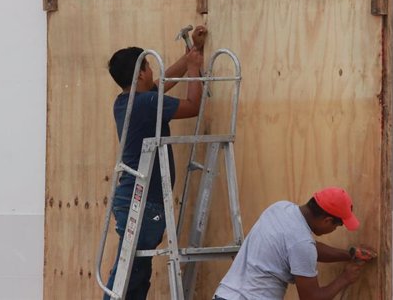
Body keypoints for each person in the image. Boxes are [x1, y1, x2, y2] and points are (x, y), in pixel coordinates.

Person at [104, 25, 208, 300]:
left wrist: (190, 57)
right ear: (140, 72)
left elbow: (160, 84)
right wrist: (195, 69)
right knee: (130, 275)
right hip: (143, 200)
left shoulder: (126, 101)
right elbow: (193, 106)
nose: (152, 72)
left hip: (133, 198)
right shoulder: (147, 103)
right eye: (149, 67)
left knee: (135, 273)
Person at [213, 187, 377, 300]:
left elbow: (305, 248)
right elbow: (311, 298)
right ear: (327, 220)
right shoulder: (301, 243)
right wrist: (345, 278)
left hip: (225, 294)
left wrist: (349, 254)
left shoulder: (280, 208)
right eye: (337, 225)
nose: (334, 229)